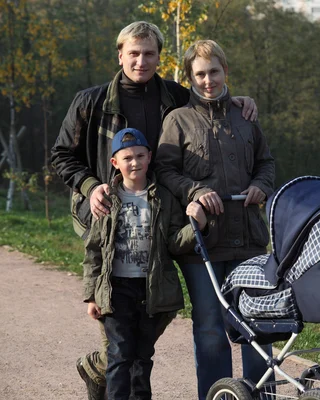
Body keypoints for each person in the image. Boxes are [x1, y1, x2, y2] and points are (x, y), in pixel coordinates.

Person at [50, 21, 258, 400]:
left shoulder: (175, 98)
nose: (141, 60)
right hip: (110, 223)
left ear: (159, 57)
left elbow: (210, 101)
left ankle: (101, 364)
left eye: (148, 53)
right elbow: (61, 155)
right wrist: (89, 185)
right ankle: (112, 366)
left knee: (155, 314)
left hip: (166, 221)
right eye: (133, 53)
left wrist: (239, 101)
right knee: (122, 325)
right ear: (120, 55)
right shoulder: (91, 102)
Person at [155, 39, 275, 400]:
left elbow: (266, 162)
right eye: (200, 74)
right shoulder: (177, 120)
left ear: (226, 72)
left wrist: (260, 185)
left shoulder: (246, 116)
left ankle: (261, 395)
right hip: (202, 244)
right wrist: (193, 191)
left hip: (249, 240)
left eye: (214, 72)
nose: (208, 80)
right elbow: (163, 170)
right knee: (209, 328)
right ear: (190, 77)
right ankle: (216, 395)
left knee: (256, 324)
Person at [83, 127, 209, 400]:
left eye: (140, 155)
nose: (135, 163)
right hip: (117, 290)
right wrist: (91, 295)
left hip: (151, 289)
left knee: (143, 355)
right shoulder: (107, 201)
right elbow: (94, 250)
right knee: (119, 354)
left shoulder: (163, 198)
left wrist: (196, 225)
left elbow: (175, 242)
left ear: (150, 157)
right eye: (127, 158)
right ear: (115, 163)